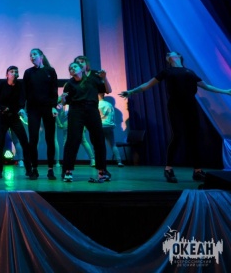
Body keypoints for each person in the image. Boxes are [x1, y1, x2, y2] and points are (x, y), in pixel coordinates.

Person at [119, 51, 231, 183]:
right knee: (177, 135)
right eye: (167, 55)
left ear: (178, 57)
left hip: (190, 106)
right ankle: (168, 169)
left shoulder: (190, 72)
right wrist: (131, 91)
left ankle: (197, 171)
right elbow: (147, 84)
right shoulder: (167, 72)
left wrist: (225, 91)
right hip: (175, 106)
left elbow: (206, 86)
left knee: (194, 138)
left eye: (171, 54)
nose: (168, 56)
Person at [60, 61, 111, 183]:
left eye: (75, 66)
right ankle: (68, 171)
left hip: (92, 110)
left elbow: (108, 90)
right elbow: (64, 102)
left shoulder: (92, 80)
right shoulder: (69, 84)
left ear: (81, 69)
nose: (72, 68)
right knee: (73, 140)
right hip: (76, 111)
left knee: (98, 140)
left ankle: (102, 171)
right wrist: (62, 99)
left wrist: (105, 78)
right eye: (70, 68)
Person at [23, 48, 59, 180]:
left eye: (34, 54)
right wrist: (22, 108)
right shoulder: (28, 72)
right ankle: (34, 169)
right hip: (33, 109)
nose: (32, 57)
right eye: (30, 55)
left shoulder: (50, 71)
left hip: (48, 108)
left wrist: (54, 107)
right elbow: (25, 92)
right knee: (33, 139)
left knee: (50, 139)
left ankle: (50, 169)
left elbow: (54, 91)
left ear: (41, 56)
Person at [0, 66, 31, 179]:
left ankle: (29, 169)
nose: (14, 73)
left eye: (16, 71)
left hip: (14, 117)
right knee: (0, 143)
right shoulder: (2, 84)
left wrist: (18, 109)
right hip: (3, 117)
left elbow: (22, 100)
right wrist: (3, 108)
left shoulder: (20, 85)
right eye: (11, 71)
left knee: (24, 141)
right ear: (7, 74)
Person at [98, 93, 124, 167]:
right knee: (112, 144)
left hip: (100, 126)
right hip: (109, 126)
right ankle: (119, 161)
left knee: (99, 145)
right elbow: (113, 116)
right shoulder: (109, 104)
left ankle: (101, 162)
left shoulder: (97, 104)